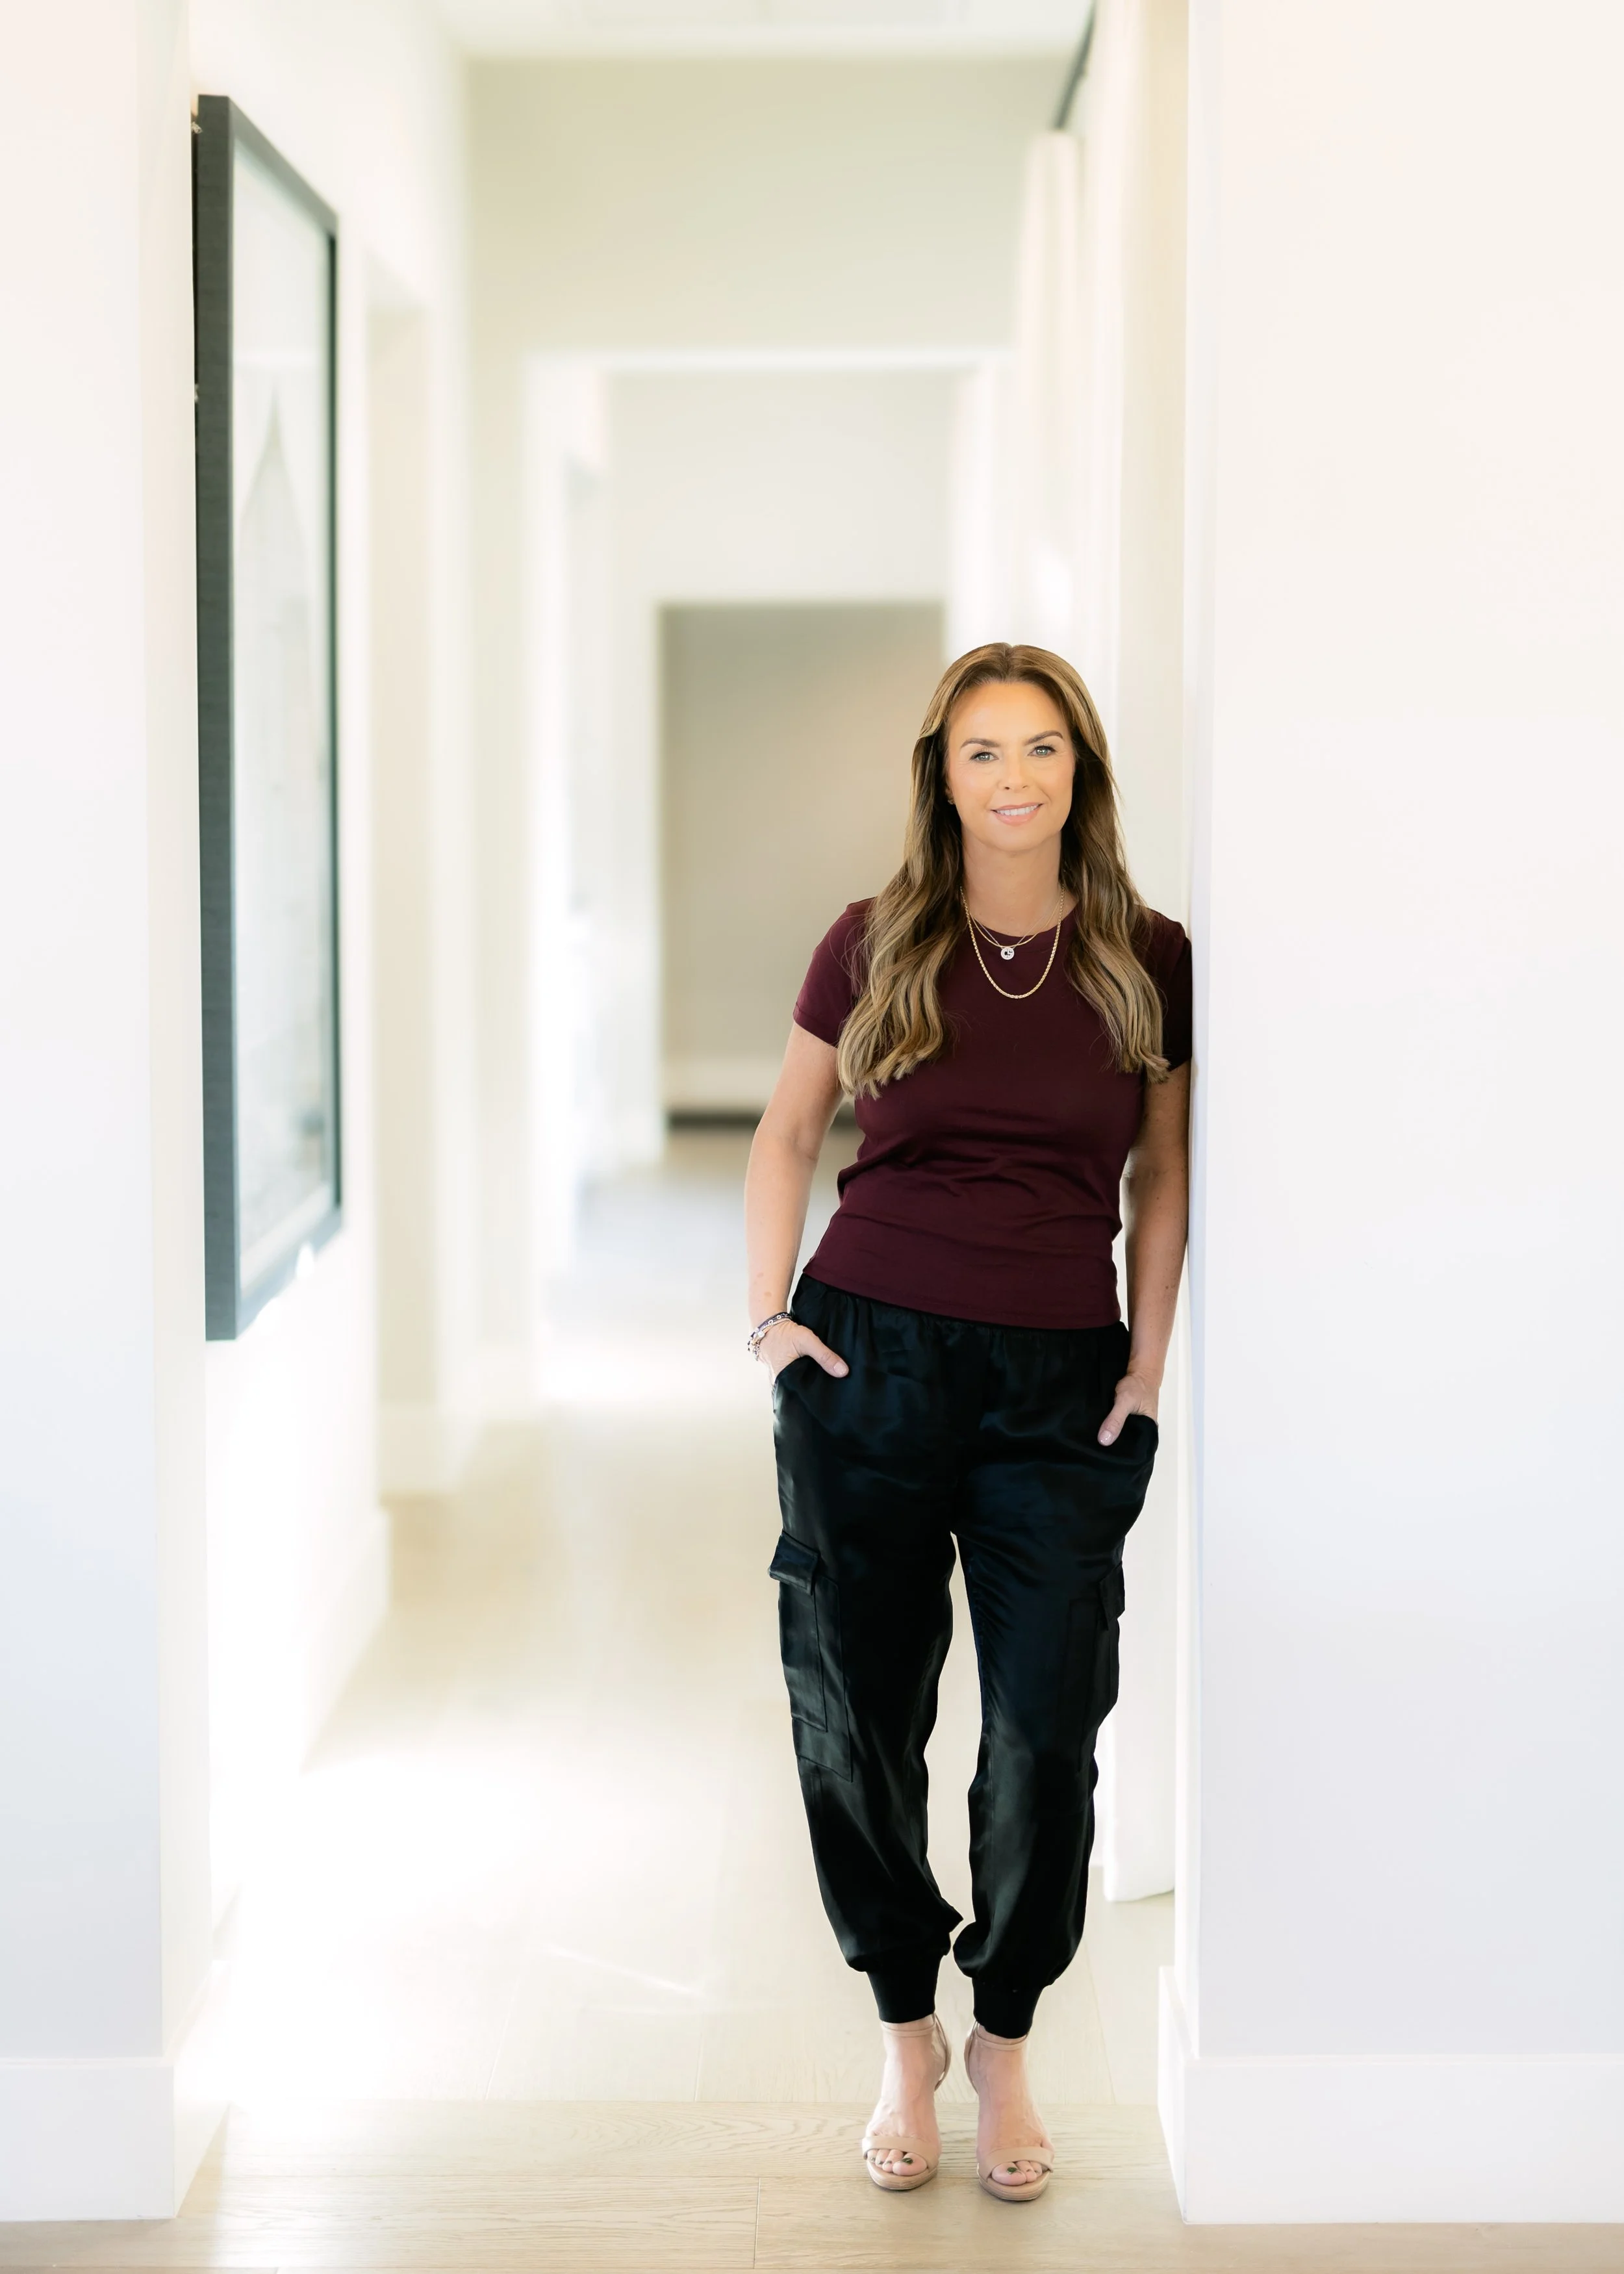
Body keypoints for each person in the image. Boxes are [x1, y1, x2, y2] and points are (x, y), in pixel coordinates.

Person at [742, 643, 1191, 2203]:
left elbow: (1160, 1180)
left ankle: (1003, 2032)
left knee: (1041, 1733)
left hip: (1059, 1382)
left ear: (1083, 770)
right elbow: (787, 1132)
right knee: (857, 1712)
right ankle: (902, 2026)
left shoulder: (1149, 955)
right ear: (942, 774)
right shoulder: (871, 942)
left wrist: (1144, 1368)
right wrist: (773, 1325)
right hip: (868, 1359)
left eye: (1043, 748)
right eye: (984, 750)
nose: (1016, 778)